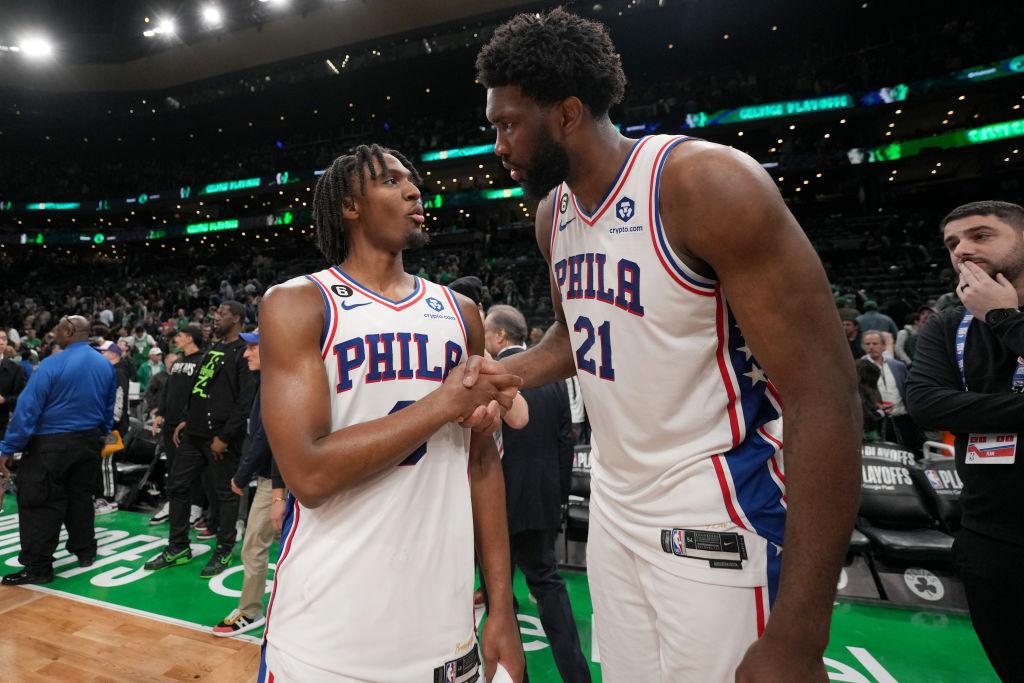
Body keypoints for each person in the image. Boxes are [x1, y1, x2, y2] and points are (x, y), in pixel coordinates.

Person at [469, 10, 861, 681]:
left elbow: (826, 395)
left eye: (507, 124)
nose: (498, 145)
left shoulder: (704, 184)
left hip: (715, 503)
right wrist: (511, 371)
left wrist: (801, 633)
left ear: (567, 114)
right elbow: (577, 330)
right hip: (615, 505)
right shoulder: (552, 214)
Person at [257, 144, 525, 682]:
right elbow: (308, 474)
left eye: (413, 181)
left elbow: (481, 462)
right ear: (349, 206)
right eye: (391, 181)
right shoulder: (298, 303)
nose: (413, 190)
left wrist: (501, 606)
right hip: (326, 632)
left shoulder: (461, 312)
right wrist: (444, 403)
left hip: (444, 627)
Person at [906, 200, 1024, 680]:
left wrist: (1003, 317)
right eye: (952, 243)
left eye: (981, 235)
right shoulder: (946, 325)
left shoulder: (993, 317)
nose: (962, 250)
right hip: (989, 537)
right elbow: (927, 405)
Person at [485, 304, 591, 683]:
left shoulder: (493, 378)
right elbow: (567, 441)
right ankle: (577, 676)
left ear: (500, 335)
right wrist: (557, 498)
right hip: (542, 500)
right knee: (548, 584)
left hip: (500, 504)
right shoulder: (554, 378)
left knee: (500, 599)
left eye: (487, 331)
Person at [0, 316, 116, 585]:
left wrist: (8, 447)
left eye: (58, 331)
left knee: (39, 503)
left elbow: (28, 409)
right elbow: (108, 407)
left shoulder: (53, 363)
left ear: (70, 331)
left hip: (51, 444)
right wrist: (100, 436)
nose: (54, 335)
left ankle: (38, 567)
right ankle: (85, 551)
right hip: (89, 441)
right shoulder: (104, 364)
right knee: (80, 498)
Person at [144, 302, 255, 578]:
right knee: (177, 486)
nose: (215, 318)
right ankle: (178, 546)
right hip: (194, 433)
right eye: (215, 314)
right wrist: (186, 418)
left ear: (237, 318)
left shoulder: (244, 350)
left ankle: (224, 548)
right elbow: (199, 387)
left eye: (222, 314)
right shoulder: (214, 347)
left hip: (219, 437)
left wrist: (225, 436)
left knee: (225, 494)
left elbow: (245, 401)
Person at [212, 329, 287, 637]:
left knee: (255, 544)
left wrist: (242, 474)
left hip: (277, 480)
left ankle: (250, 611)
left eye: (253, 348)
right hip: (280, 477)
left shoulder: (275, 386)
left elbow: (266, 438)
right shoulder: (268, 382)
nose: (246, 354)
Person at [148, 325, 206, 526]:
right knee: (172, 467)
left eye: (179, 336)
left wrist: (188, 418)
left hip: (189, 424)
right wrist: (160, 413)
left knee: (192, 468)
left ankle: (196, 506)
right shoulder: (178, 362)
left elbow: (201, 395)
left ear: (190, 338)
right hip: (171, 423)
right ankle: (173, 503)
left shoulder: (203, 360)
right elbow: (168, 390)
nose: (176, 339)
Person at [860, 332, 921, 452]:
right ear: (863, 346)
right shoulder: (860, 367)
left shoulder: (898, 366)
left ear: (883, 346)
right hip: (878, 421)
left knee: (909, 451)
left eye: (875, 343)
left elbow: (907, 389)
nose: (871, 347)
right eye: (868, 344)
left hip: (902, 418)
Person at [96, 340, 130, 515]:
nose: (101, 354)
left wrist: (112, 422)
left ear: (113, 354)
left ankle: (109, 499)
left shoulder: (118, 372)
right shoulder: (110, 371)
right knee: (102, 460)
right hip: (107, 424)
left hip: (113, 425)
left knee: (107, 461)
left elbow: (119, 398)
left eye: (103, 352)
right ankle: (101, 496)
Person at [0, 329, 27, 440]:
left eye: (4, 339)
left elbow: (20, 397)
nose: (1, 342)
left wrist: (4, 400)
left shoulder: (15, 369)